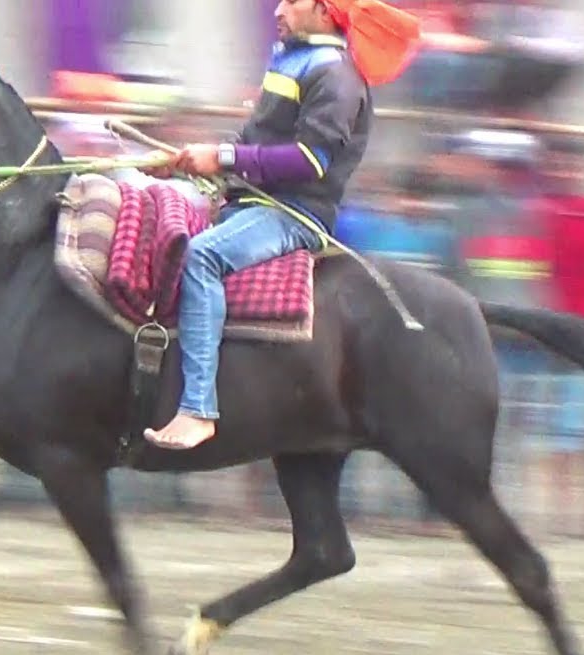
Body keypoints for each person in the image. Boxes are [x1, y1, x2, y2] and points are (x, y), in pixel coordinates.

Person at [144, 0, 419, 450]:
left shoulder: (337, 75)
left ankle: (197, 408)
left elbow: (309, 160)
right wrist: (188, 162)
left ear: (325, 10)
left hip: (295, 214)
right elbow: (254, 141)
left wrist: (224, 158)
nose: (278, 9)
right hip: (254, 201)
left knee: (201, 257)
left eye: (292, 1)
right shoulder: (290, 59)